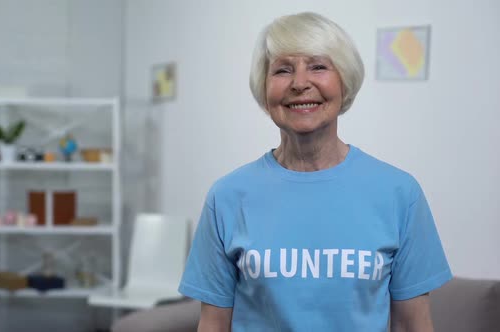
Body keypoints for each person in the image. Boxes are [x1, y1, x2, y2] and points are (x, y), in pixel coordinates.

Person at [178, 12, 452, 331]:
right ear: (264, 90)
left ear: (344, 81)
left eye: (318, 66)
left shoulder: (400, 194)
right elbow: (213, 324)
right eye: (283, 70)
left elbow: (412, 325)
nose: (299, 83)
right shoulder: (226, 197)